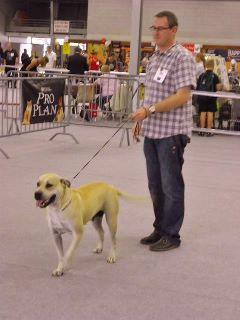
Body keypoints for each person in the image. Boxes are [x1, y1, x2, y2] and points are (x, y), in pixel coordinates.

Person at [131, 11, 196, 251]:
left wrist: (149, 111)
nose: (155, 32)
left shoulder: (183, 58)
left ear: (174, 29)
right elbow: (152, 94)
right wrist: (142, 117)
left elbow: (182, 96)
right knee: (155, 186)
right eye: (153, 28)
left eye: (160, 28)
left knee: (171, 186)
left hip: (171, 133)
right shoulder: (155, 57)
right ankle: (160, 228)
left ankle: (172, 234)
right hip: (152, 131)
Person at [197, 58, 223, 136]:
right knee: (210, 113)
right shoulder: (215, 76)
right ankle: (209, 131)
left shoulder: (201, 75)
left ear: (206, 65)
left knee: (202, 112)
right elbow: (218, 88)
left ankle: (201, 130)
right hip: (211, 97)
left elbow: (198, 87)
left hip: (202, 97)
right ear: (213, 65)